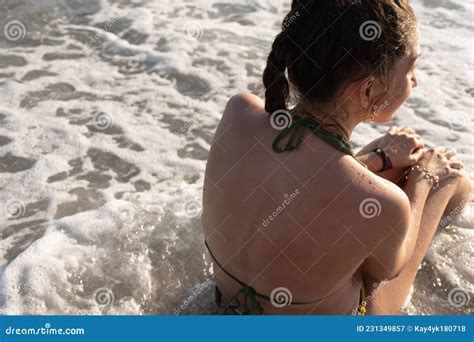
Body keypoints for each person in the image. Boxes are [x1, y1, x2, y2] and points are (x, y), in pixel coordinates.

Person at [201, 0, 472, 315]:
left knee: (368, 183)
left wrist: (376, 159)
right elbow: (389, 269)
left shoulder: (239, 111)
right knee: (451, 182)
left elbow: (302, 174)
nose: (415, 81)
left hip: (227, 299)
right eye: (411, 68)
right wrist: (425, 177)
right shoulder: (384, 204)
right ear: (368, 91)